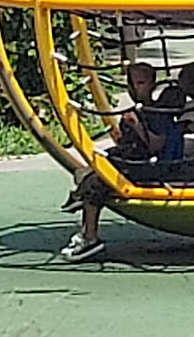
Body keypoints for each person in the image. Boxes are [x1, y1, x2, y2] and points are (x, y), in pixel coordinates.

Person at [59, 62, 186, 262]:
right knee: (96, 165)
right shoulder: (138, 110)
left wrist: (137, 126)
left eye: (141, 83)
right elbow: (128, 143)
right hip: (135, 159)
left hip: (150, 167)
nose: (135, 88)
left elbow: (156, 145)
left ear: (152, 85)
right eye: (131, 83)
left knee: (97, 181)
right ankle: (83, 207)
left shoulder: (155, 112)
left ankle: (89, 235)